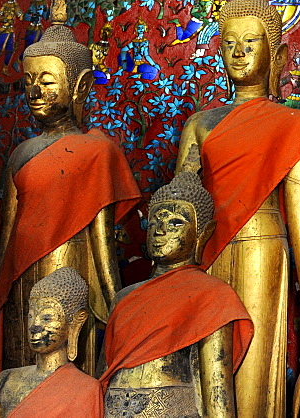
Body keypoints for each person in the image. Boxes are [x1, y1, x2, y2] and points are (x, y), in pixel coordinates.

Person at [175, 0, 300, 417]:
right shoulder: (200, 124)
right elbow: (178, 214)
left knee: (251, 381)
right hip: (203, 258)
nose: (239, 53)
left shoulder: (292, 125)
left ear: (279, 54)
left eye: (251, 41)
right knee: (206, 378)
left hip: (265, 251)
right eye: (229, 43)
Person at [0, 0, 140, 379]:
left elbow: (102, 238)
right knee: (22, 368)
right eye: (29, 82)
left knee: (70, 370)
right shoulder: (21, 153)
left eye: (47, 80)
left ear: (80, 87)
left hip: (75, 271)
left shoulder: (97, 150)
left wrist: (113, 298)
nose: (35, 91)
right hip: (23, 277)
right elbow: (7, 240)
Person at [100, 172, 254, 417]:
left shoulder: (212, 295)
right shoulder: (124, 297)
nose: (161, 231)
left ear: (202, 234)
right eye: (155, 222)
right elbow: (104, 378)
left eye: (175, 223)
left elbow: (217, 393)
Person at [0, 269, 103, 417]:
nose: (34, 326)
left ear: (74, 322)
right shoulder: (5, 381)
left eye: (47, 318)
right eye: (31, 316)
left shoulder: (86, 388)